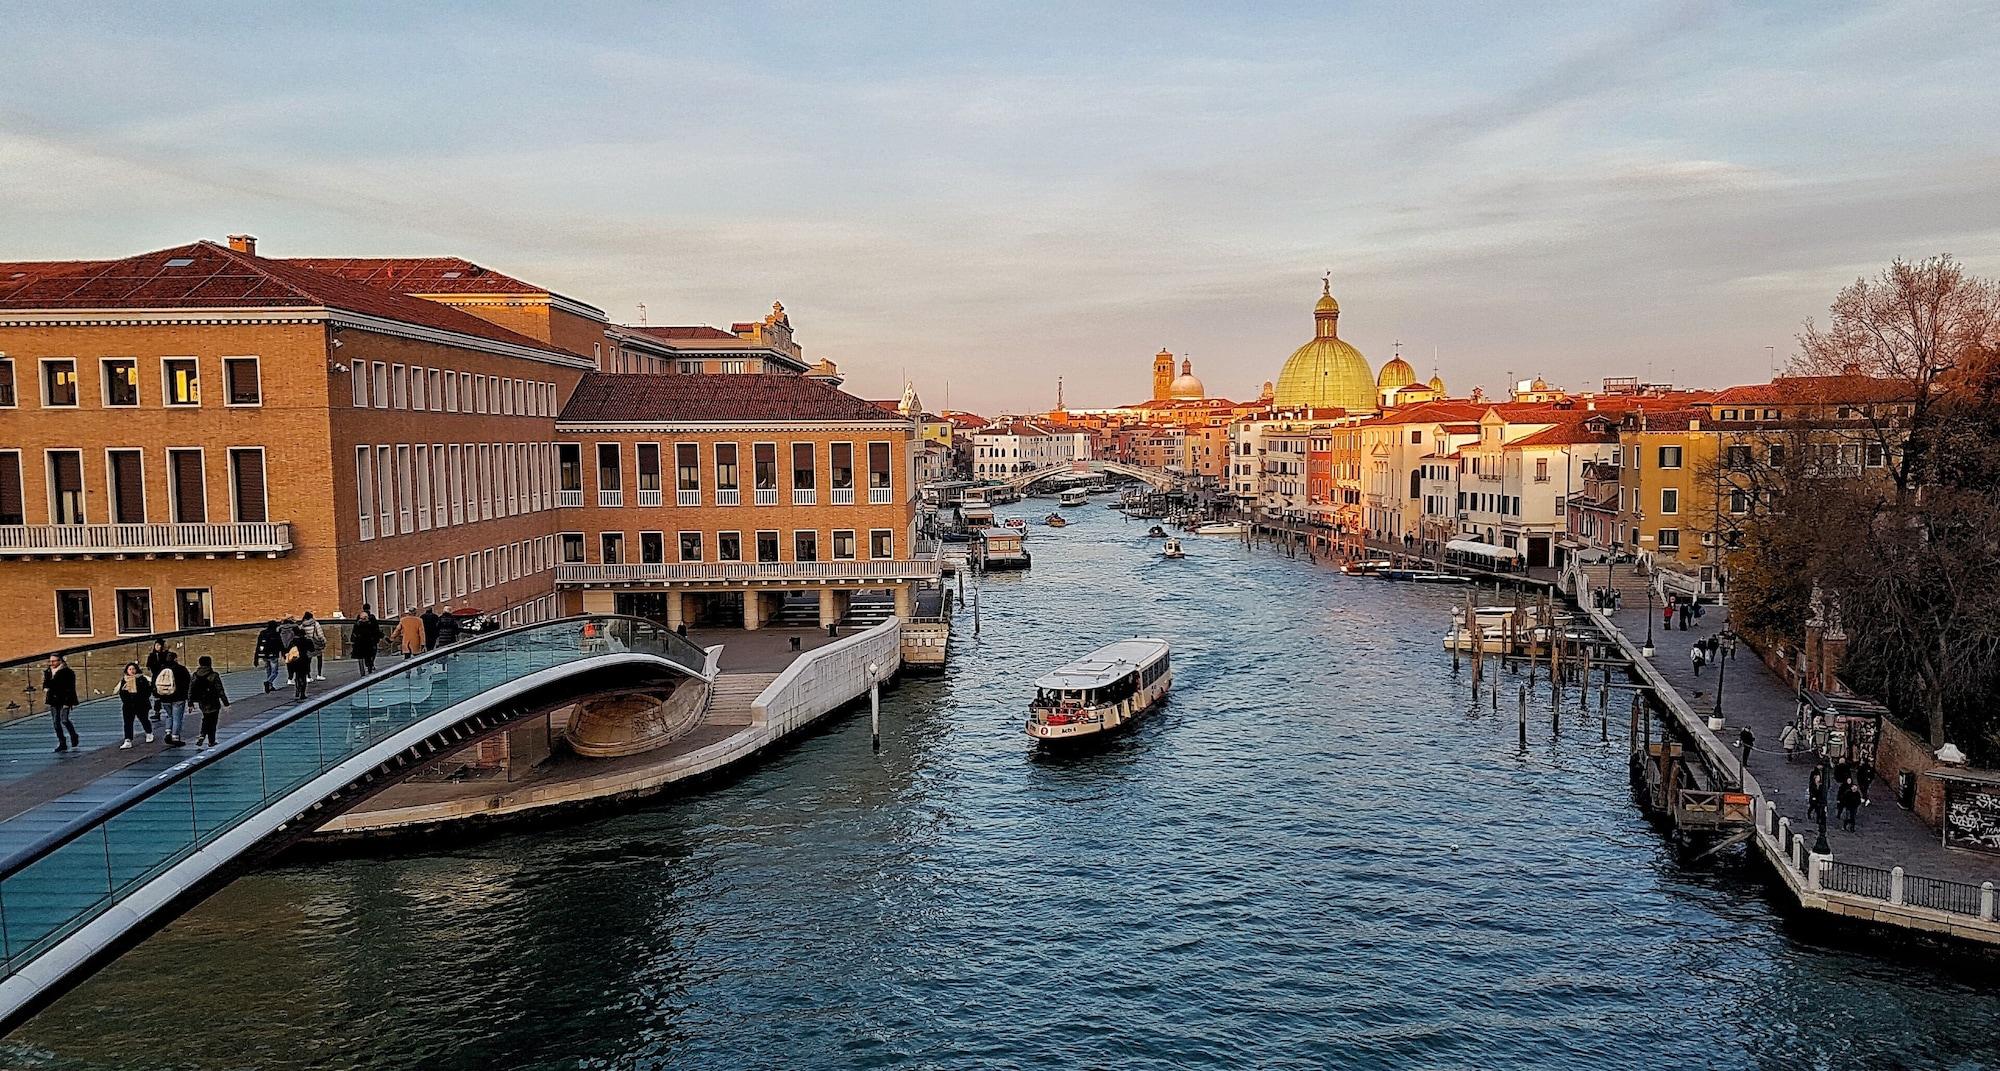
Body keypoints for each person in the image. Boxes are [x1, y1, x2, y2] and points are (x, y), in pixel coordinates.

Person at [189, 655, 230, 748]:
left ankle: (202, 735)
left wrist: (190, 703)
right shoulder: (214, 675)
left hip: (202, 701)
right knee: (213, 721)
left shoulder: (195, 675)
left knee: (206, 717)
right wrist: (226, 703)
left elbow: (191, 689)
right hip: (213, 700)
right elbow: (220, 690)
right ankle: (211, 740)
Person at [43, 653, 81, 753]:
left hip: (65, 699)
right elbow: (46, 684)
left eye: (54, 661)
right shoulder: (48, 671)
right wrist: (46, 688)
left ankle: (73, 735)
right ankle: (62, 743)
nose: (51, 663)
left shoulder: (68, 672)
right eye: (50, 661)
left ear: (60, 661)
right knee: (56, 722)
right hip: (53, 700)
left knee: (64, 720)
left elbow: (70, 688)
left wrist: (68, 702)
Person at [155, 651, 192, 747]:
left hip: (164, 697)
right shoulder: (181, 669)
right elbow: (188, 682)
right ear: (175, 659)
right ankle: (175, 737)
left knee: (169, 715)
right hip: (178, 697)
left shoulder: (161, 669)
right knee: (177, 718)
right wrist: (188, 698)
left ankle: (168, 732)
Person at [117, 661, 155, 748]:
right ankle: (128, 740)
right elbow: (121, 693)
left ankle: (149, 733)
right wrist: (126, 697)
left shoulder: (142, 679)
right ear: (127, 671)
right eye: (130, 669)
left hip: (141, 704)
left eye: (133, 669)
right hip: (128, 705)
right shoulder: (124, 680)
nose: (132, 671)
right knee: (128, 723)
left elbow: (147, 691)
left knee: (144, 719)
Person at [255, 620, 283, 693]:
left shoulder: (263, 633)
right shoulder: (275, 634)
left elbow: (258, 645)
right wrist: (283, 653)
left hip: (263, 654)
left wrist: (256, 658)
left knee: (268, 670)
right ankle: (268, 682)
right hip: (273, 654)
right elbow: (280, 644)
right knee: (274, 672)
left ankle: (270, 686)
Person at [352, 606, 382, 675]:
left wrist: (353, 640)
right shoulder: (371, 619)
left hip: (360, 642)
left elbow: (354, 631)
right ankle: (370, 666)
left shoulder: (358, 622)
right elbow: (376, 630)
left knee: (363, 655)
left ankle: (365, 668)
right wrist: (377, 638)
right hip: (370, 642)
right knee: (370, 654)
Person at [284, 631, 312, 700]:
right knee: (303, 677)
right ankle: (302, 693)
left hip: (295, 661)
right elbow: (312, 649)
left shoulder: (293, 641)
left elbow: (288, 650)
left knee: (297, 676)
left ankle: (297, 690)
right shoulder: (307, 641)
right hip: (304, 660)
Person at [301, 611, 328, 681]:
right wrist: (324, 641)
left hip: (307, 644)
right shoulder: (315, 624)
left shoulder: (302, 625)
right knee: (319, 658)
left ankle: (308, 676)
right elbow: (320, 634)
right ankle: (319, 674)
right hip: (316, 643)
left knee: (308, 660)